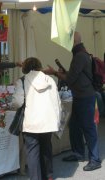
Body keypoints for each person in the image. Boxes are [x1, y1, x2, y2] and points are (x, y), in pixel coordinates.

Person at [44, 32, 101, 171]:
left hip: (85, 97)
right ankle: (78, 153)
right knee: (74, 126)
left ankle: (95, 159)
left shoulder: (80, 55)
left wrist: (55, 73)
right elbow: (76, 74)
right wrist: (64, 72)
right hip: (81, 96)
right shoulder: (81, 53)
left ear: (73, 41)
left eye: (68, 40)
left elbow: (70, 79)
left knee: (88, 128)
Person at [12, 57, 61, 180]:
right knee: (46, 148)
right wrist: (57, 120)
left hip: (31, 122)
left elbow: (17, 102)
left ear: (25, 68)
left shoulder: (22, 81)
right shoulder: (50, 79)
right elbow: (57, 102)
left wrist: (12, 101)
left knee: (32, 152)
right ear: (39, 66)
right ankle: (48, 175)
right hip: (48, 121)